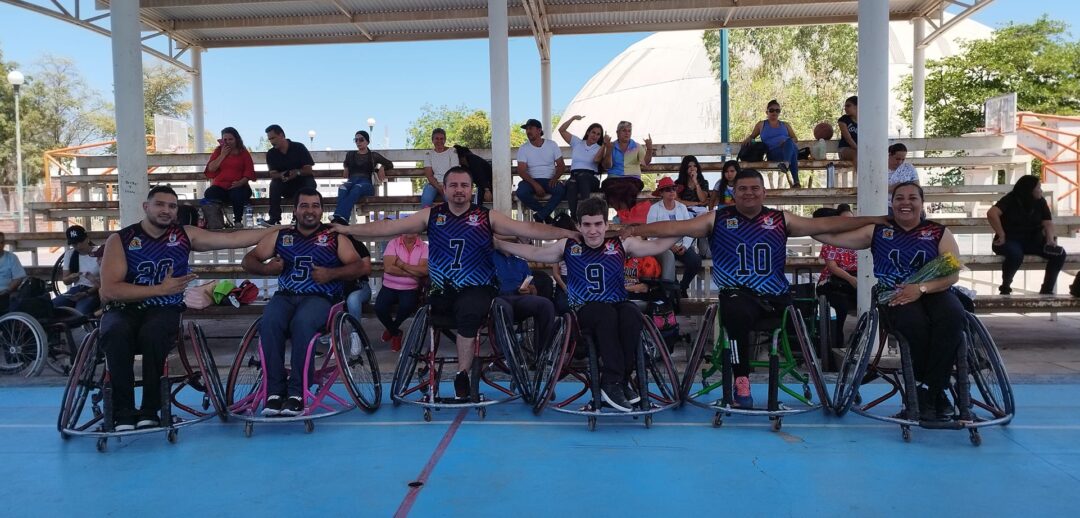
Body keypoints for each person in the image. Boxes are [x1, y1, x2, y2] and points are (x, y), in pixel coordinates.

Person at [629, 169, 885, 408]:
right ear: (734, 192)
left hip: (775, 297)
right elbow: (674, 228)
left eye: (754, 188)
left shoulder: (779, 219)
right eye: (742, 188)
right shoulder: (718, 218)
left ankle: (820, 380)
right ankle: (742, 380)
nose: (749, 193)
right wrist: (634, 229)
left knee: (798, 314)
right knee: (735, 310)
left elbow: (826, 226)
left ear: (764, 192)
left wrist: (876, 220)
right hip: (738, 295)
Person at [333, 166, 577, 399]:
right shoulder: (432, 215)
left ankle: (462, 373)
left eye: (464, 185)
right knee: (437, 307)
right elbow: (388, 226)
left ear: (471, 189)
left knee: (469, 310)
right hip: (442, 290)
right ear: (445, 188)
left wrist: (563, 233)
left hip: (478, 289)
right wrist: (347, 230)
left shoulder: (485, 216)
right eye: (453, 185)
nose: (459, 190)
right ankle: (430, 366)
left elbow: (528, 228)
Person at [98, 186, 278, 431]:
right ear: (146, 207)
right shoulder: (122, 239)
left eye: (172, 206)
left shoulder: (185, 235)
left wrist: (281, 229)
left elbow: (233, 238)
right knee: (115, 333)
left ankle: (150, 409)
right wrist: (160, 289)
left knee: (153, 333)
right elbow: (109, 290)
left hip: (163, 310)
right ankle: (123, 411)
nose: (166, 210)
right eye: (160, 204)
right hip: (124, 308)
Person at [493, 198, 681, 412]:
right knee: (605, 314)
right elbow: (534, 253)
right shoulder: (569, 245)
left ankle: (620, 380)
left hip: (617, 305)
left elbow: (657, 245)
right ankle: (611, 382)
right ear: (579, 226)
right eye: (587, 225)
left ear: (606, 224)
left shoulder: (621, 244)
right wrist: (500, 244)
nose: (593, 231)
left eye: (598, 224)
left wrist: (687, 230)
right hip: (584, 311)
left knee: (631, 314)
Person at [814, 182, 965, 421]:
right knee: (915, 324)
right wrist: (797, 228)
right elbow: (832, 236)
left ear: (921, 202)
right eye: (899, 198)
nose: (906, 202)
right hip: (892, 294)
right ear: (892, 203)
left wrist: (921, 288)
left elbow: (952, 274)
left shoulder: (938, 232)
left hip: (933, 290)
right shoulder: (877, 231)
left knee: (953, 317)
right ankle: (933, 391)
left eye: (912, 198)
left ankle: (930, 389)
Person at [242, 188, 364, 416]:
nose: (310, 211)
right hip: (286, 296)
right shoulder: (281, 236)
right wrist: (266, 268)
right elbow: (248, 260)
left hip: (321, 297)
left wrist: (331, 274)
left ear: (322, 210)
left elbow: (360, 266)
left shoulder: (333, 236)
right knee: (268, 323)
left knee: (302, 323)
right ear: (295, 210)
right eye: (304, 206)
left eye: (315, 206)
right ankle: (274, 392)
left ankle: (298, 391)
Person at [987, 175, 1067, 295]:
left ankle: (1047, 290)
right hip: (1009, 240)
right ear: (1029, 189)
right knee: (1015, 254)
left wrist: (1050, 240)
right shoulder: (1011, 198)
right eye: (1038, 187)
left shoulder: (1040, 201)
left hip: (1032, 240)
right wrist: (1001, 234)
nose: (1041, 190)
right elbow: (992, 213)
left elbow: (1047, 222)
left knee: (1059, 254)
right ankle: (1005, 286)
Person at [492, 239, 555, 363]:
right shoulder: (490, 257)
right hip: (499, 296)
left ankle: (543, 354)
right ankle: (506, 356)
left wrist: (529, 290)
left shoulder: (521, 263)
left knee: (546, 304)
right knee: (502, 307)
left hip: (520, 298)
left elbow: (534, 290)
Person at [648, 177, 701, 298]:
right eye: (667, 190)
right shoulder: (654, 209)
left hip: (681, 244)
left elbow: (689, 229)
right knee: (669, 257)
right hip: (662, 246)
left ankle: (682, 287)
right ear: (661, 193)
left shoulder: (681, 207)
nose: (671, 192)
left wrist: (685, 246)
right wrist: (669, 246)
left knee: (695, 261)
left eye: (673, 189)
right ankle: (672, 290)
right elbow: (651, 234)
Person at [813, 206, 857, 351]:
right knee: (841, 307)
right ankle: (836, 344)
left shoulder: (859, 238)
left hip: (854, 281)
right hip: (834, 282)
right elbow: (832, 267)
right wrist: (851, 279)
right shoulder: (831, 240)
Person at [375, 233, 428, 352]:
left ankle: (392, 330)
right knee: (379, 308)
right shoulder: (393, 243)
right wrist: (412, 273)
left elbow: (423, 271)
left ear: (418, 232)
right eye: (407, 229)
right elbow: (389, 268)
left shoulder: (424, 247)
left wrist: (401, 264)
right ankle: (396, 332)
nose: (409, 232)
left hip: (410, 288)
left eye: (413, 230)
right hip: (389, 285)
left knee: (407, 306)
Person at [331, 130, 394, 225]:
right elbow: (346, 163)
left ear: (367, 141)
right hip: (351, 181)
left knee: (357, 188)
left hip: (366, 184)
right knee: (342, 188)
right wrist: (346, 167)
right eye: (356, 140)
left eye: (361, 140)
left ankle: (339, 216)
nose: (358, 142)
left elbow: (390, 164)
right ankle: (343, 218)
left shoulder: (373, 156)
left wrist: (382, 167)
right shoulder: (350, 155)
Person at [262, 124, 316, 226]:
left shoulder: (299, 147)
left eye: (273, 138)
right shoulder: (271, 153)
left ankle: (298, 217)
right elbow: (273, 174)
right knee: (274, 184)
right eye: (270, 139)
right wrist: (281, 175)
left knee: (309, 182)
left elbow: (308, 169)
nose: (272, 142)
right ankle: (274, 218)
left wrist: (297, 172)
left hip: (301, 183)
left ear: (281, 135)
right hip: (285, 185)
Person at [516, 119, 567, 223]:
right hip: (531, 181)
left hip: (549, 180)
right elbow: (521, 171)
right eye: (526, 129)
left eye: (530, 128)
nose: (528, 131)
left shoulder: (552, 145)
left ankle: (541, 215)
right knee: (521, 192)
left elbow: (561, 166)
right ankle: (544, 215)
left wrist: (555, 178)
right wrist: (535, 185)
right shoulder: (523, 148)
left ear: (539, 130)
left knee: (561, 190)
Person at [558, 115, 609, 221]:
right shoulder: (577, 142)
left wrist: (604, 145)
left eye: (598, 134)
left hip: (591, 178)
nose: (595, 136)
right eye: (593, 132)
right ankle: (574, 216)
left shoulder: (600, 148)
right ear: (588, 132)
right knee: (571, 183)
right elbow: (561, 130)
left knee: (583, 177)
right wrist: (572, 119)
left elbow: (596, 160)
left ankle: (586, 212)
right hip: (575, 176)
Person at [741, 100, 801, 188]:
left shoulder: (785, 125)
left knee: (789, 142)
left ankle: (786, 165)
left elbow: (795, 139)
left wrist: (785, 142)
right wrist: (748, 139)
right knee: (792, 154)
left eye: (777, 111)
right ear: (767, 112)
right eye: (772, 110)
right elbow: (752, 136)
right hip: (773, 153)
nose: (774, 113)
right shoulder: (761, 125)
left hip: (787, 150)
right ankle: (796, 181)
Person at [203, 127, 255, 228]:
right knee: (210, 193)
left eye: (230, 139)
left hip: (239, 185)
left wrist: (240, 182)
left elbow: (249, 172)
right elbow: (211, 169)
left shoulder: (243, 153)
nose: (228, 142)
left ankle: (238, 221)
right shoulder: (218, 151)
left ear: (236, 139)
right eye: (225, 139)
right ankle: (217, 222)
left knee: (237, 193)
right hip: (221, 187)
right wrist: (222, 155)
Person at [602, 121, 654, 214]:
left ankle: (622, 215)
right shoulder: (611, 146)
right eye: (624, 130)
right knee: (611, 188)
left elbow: (646, 162)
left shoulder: (636, 146)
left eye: (629, 131)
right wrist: (609, 150)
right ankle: (624, 215)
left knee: (629, 188)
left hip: (632, 179)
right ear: (617, 132)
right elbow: (607, 166)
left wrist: (649, 149)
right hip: (614, 178)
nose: (627, 133)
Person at [52, 225, 101, 316]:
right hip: (77, 289)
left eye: (80, 242)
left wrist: (86, 293)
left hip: (94, 290)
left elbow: (103, 283)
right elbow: (65, 281)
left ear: (87, 239)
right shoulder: (70, 254)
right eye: (74, 244)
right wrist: (71, 277)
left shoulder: (99, 253)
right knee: (51, 306)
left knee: (80, 312)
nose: (78, 246)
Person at [421, 128, 460, 208]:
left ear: (445, 140)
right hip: (434, 183)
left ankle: (453, 219)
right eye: (436, 138)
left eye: (442, 139)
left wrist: (446, 186)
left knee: (451, 201)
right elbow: (429, 175)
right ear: (432, 140)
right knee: (426, 199)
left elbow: (454, 172)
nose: (439, 141)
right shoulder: (428, 154)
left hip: (449, 183)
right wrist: (439, 188)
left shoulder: (452, 151)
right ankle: (426, 219)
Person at [343, 236, 374, 322]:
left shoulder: (357, 245)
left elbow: (367, 270)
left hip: (359, 286)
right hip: (337, 286)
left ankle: (356, 331)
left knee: (353, 299)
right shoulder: (328, 247)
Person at [0, 231, 27, 314]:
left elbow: (18, 278)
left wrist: (7, 290)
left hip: (4, 295)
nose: (0, 245)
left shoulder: (11, 258)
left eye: (1, 242)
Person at [887, 143, 918, 210]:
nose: (900, 162)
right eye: (897, 159)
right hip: (885, 205)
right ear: (890, 155)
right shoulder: (879, 169)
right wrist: (902, 185)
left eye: (903, 159)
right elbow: (878, 190)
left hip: (906, 205)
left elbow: (917, 188)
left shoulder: (909, 168)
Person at [837, 96, 858, 164]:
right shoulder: (843, 120)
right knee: (857, 155)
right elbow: (848, 138)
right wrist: (859, 149)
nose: (845, 108)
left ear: (857, 106)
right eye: (845, 106)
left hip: (859, 149)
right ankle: (860, 175)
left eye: (848, 106)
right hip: (844, 149)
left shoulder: (864, 120)